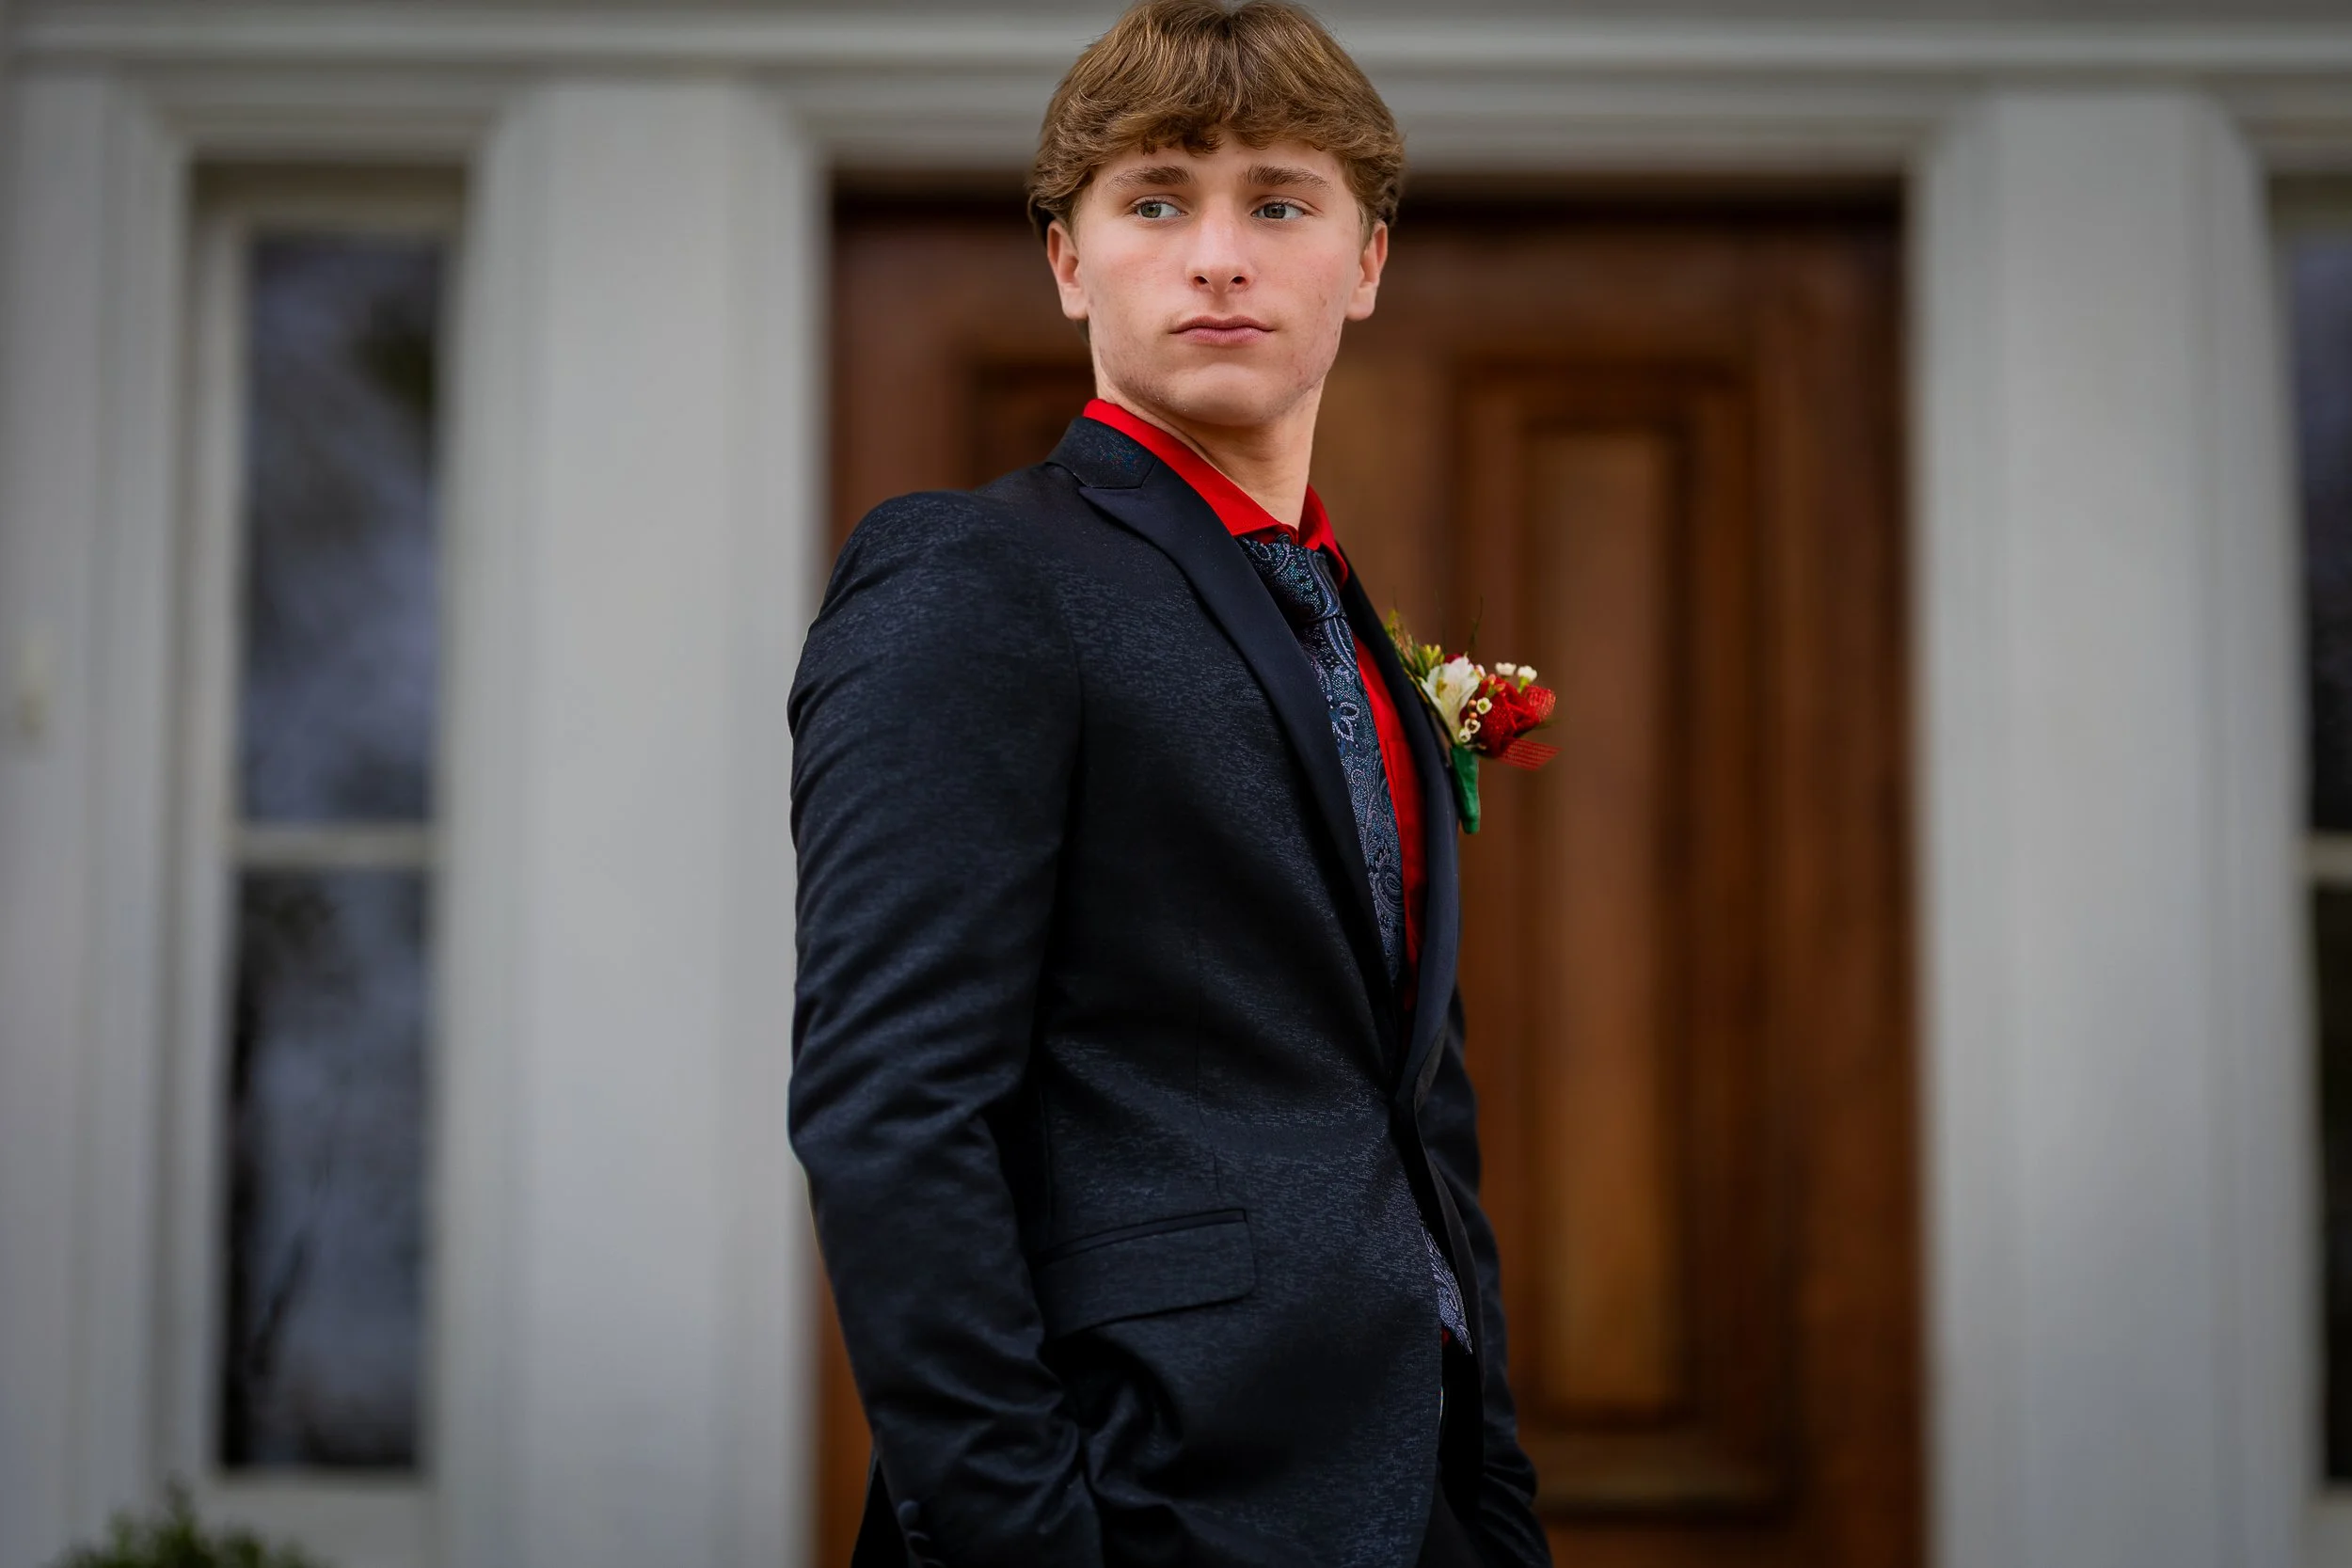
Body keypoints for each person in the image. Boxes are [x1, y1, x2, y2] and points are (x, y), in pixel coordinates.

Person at [787, 3, 1549, 1563]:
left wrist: (1500, 1506)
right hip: (1146, 1495)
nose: (1220, 255)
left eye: (1279, 202)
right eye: (1155, 201)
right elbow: (893, 1113)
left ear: (1368, 259)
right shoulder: (978, 578)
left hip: (1416, 1505)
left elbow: (1417, 1131)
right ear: (1068, 261)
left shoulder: (1355, 637)